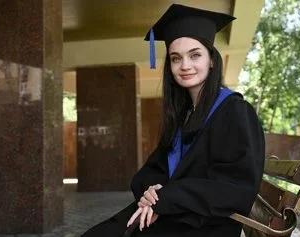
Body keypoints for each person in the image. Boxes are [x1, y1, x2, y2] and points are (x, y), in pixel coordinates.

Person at [81, 4, 265, 237]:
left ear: (211, 60)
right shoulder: (184, 115)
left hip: (205, 224)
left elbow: (236, 187)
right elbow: (153, 169)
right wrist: (152, 191)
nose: (185, 65)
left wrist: (167, 199)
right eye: (176, 58)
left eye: (195, 55)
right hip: (174, 212)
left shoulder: (235, 112)